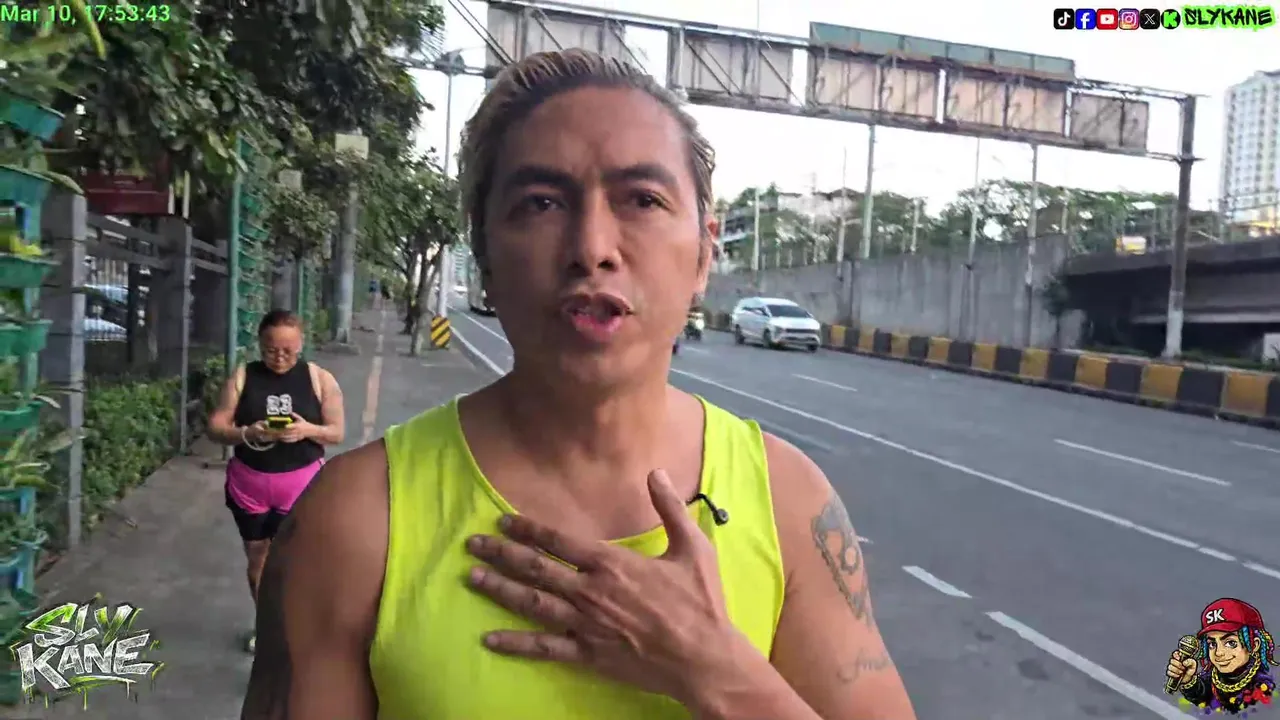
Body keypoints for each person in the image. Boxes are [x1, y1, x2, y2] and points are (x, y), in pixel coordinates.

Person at [241, 49, 915, 720]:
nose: (592, 247)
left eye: (643, 200)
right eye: (540, 203)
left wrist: (718, 672)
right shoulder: (356, 520)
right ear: (485, 258)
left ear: (705, 253)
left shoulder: (789, 504)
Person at [207, 309, 344, 654]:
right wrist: (248, 432)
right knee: (258, 562)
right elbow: (216, 426)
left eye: (288, 351)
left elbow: (337, 432)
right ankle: (267, 627)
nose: (280, 358)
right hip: (249, 486)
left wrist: (306, 430)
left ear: (301, 344)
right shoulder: (243, 377)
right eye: (271, 350)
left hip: (300, 486)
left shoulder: (319, 379)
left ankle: (297, 626)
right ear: (259, 344)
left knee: (295, 561)